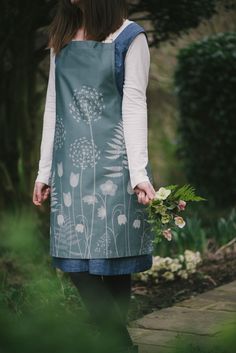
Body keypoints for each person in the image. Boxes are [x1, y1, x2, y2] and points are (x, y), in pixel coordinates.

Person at [32, 0, 156, 352]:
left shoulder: (129, 37)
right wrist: (44, 171)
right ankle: (119, 344)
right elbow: (53, 105)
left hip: (117, 167)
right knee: (75, 263)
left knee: (115, 262)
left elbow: (134, 105)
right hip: (69, 168)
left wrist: (139, 175)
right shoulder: (62, 35)